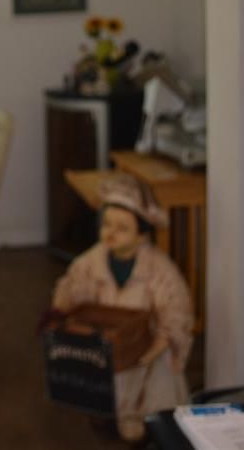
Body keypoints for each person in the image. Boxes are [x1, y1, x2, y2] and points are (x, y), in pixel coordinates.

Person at [52, 173, 193, 442]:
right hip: (106, 346)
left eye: (122, 227)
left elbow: (176, 307)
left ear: (141, 234)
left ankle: (145, 423)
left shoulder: (159, 269)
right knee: (104, 391)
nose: (111, 233)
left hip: (145, 349)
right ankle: (107, 415)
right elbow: (70, 287)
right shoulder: (91, 262)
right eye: (106, 224)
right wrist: (63, 308)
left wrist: (163, 340)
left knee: (152, 391)